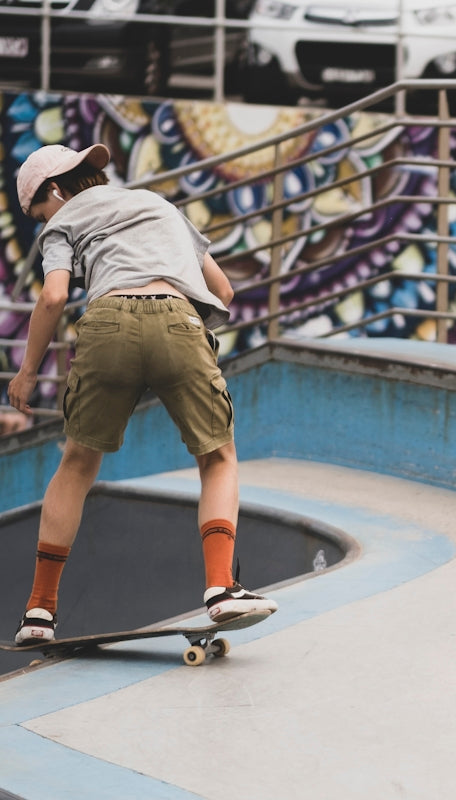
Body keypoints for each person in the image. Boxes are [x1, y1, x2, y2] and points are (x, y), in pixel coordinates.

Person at [6, 143, 277, 645]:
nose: (41, 221)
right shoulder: (157, 205)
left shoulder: (62, 225)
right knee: (218, 458)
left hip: (107, 324)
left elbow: (55, 295)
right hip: (178, 321)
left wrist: (25, 373)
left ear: (55, 191)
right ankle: (221, 589)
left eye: (38, 212)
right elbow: (224, 290)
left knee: (77, 464)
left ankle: (39, 613)